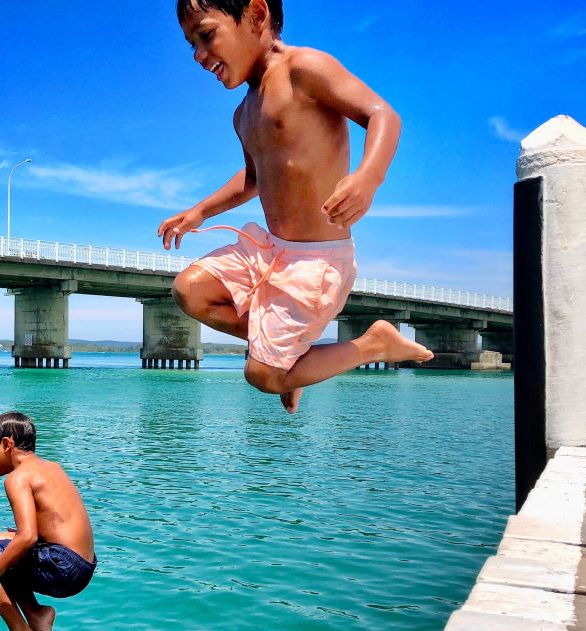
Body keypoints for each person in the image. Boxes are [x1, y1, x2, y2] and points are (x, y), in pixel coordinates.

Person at [159, 0, 433, 413]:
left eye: (207, 35)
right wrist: (200, 211)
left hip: (316, 264)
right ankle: (292, 362)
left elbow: (383, 116)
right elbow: (254, 178)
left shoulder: (304, 68)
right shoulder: (243, 113)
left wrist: (367, 178)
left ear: (256, 15)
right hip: (268, 251)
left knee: (262, 376)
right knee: (189, 290)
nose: (198, 55)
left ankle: (369, 345)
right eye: (191, 45)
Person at [0, 412, 96, 631]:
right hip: (82, 564)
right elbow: (48, 527)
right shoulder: (51, 467)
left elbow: (27, 538)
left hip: (64, 567)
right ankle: (36, 614)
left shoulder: (17, 478)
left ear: (6, 444)